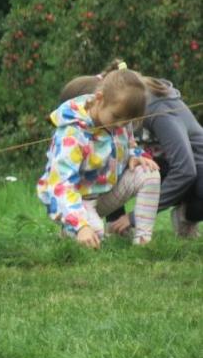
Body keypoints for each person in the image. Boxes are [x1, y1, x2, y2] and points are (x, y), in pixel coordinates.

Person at [64, 62, 203, 240]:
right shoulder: (114, 113)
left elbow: (185, 170)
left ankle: (186, 215)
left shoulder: (155, 110)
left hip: (194, 167)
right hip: (165, 164)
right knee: (110, 157)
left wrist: (133, 217)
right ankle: (115, 227)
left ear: (100, 99)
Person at [37, 68, 160, 248]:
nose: (120, 125)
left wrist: (135, 155)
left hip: (105, 193)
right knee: (94, 235)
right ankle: (70, 228)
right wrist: (81, 227)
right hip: (76, 200)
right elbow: (60, 185)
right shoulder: (72, 133)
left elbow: (129, 144)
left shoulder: (119, 121)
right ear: (100, 99)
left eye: (126, 122)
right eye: (116, 117)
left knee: (149, 173)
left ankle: (143, 243)